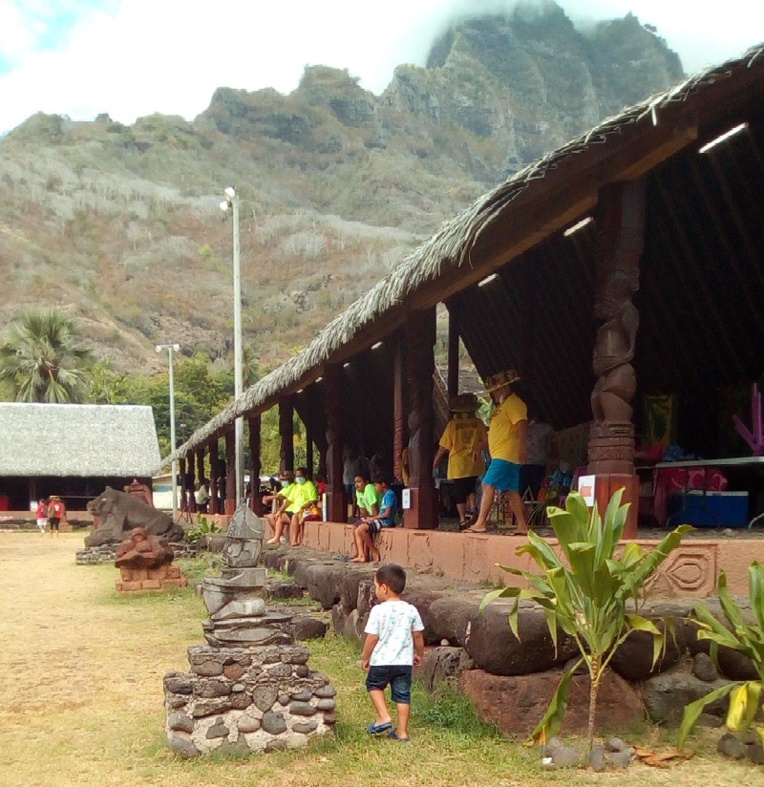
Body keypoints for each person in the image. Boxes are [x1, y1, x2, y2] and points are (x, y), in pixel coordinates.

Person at [361, 564, 424, 743]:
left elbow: (372, 638)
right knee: (403, 695)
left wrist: (365, 657)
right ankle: (402, 732)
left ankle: (384, 716)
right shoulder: (411, 609)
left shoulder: (378, 611)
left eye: (375, 586)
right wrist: (419, 654)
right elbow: (418, 635)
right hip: (404, 663)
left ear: (383, 588)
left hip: (381, 661)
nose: (375, 590)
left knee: (374, 685)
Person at [466, 369, 528, 535]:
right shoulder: (502, 406)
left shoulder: (514, 403)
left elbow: (522, 423)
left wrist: (522, 446)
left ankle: (480, 522)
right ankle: (522, 525)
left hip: (506, 454)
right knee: (511, 490)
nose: (492, 394)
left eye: (493, 390)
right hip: (502, 454)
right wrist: (480, 447)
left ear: (502, 388)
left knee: (487, 483)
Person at [432, 393, 488, 529]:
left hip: (458, 464)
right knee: (471, 487)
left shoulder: (452, 425)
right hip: (474, 463)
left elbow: (444, 446)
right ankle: (473, 507)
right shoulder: (479, 423)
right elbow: (486, 442)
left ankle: (462, 520)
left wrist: (436, 461)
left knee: (459, 491)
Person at [352, 472, 398, 563]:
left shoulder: (390, 494)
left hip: (385, 522)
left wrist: (373, 518)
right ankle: (362, 555)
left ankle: (374, 551)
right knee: (357, 529)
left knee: (361, 529)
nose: (375, 488)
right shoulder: (386, 495)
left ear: (383, 484)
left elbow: (387, 514)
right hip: (381, 520)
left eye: (376, 485)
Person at [521, 406, 556, 499]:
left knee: (537, 491)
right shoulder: (523, 427)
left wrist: (554, 460)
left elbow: (553, 446)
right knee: (521, 492)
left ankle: (535, 512)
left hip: (538, 464)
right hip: (523, 464)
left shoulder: (546, 428)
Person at [287, 467, 320, 546]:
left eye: (300, 476)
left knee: (295, 517)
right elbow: (289, 500)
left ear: (305, 476)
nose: (298, 478)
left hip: (308, 510)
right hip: (296, 510)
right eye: (297, 476)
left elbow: (313, 501)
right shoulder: (296, 486)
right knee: (280, 517)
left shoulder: (309, 485)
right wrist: (280, 510)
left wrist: (303, 507)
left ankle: (294, 539)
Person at [264, 470, 295, 545]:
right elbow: (278, 495)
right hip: (285, 511)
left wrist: (268, 498)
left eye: (284, 479)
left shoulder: (292, 487)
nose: (282, 481)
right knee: (270, 516)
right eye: (281, 480)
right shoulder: (285, 488)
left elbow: (281, 497)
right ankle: (280, 536)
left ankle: (278, 537)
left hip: (292, 510)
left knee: (279, 516)